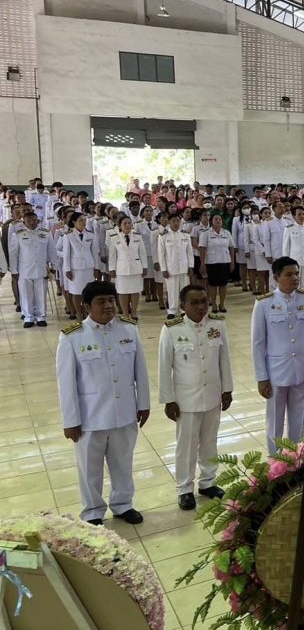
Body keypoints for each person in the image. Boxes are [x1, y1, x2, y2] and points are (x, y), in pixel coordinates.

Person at [56, 280, 149, 525]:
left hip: (124, 413)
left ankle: (123, 504)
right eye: (101, 302)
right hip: (90, 417)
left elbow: (140, 371)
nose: (108, 306)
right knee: (90, 469)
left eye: (111, 300)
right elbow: (66, 383)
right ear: (87, 306)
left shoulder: (129, 330)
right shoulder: (73, 337)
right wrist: (70, 420)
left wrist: (143, 404)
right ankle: (93, 511)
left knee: (123, 463)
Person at [158, 284, 232, 510]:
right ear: (183, 306)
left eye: (204, 302)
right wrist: (168, 399)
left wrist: (227, 390)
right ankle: (184, 488)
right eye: (194, 303)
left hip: (212, 395)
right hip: (185, 400)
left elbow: (224, 359)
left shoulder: (217, 325)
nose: (201, 307)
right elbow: (164, 367)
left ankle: (208, 482)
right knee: (186, 446)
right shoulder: (172, 329)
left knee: (209, 441)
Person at [252, 257, 304, 454]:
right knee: (275, 420)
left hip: (302, 369)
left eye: (297, 274)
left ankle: (296, 458)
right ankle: (275, 461)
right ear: (276, 277)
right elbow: (258, 344)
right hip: (276, 372)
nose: (295, 278)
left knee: (298, 418)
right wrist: (261, 377)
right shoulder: (264, 303)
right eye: (289, 274)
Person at [9, 210, 58, 327]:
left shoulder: (45, 233)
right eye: (29, 221)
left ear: (38, 221)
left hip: (41, 269)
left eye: (34, 220)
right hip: (24, 270)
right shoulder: (18, 235)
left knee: (41, 294)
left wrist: (54, 265)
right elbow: (13, 254)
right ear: (24, 222)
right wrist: (14, 270)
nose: (32, 222)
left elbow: (51, 250)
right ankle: (28, 317)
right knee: (26, 294)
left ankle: (41, 316)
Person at [60, 212, 101, 321]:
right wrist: (67, 269)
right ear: (74, 222)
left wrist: (97, 267)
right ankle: (78, 312)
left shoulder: (91, 234)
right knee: (76, 291)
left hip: (88, 266)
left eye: (84, 220)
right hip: (75, 268)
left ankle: (86, 311)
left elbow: (94, 252)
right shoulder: (68, 235)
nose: (83, 222)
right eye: (81, 220)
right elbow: (66, 254)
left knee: (87, 291)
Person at [109, 216, 146, 320]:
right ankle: (125, 313)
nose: (127, 225)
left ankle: (134, 312)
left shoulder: (138, 237)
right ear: (120, 226)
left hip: (136, 268)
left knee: (135, 290)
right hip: (122, 269)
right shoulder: (115, 238)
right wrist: (112, 268)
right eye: (124, 223)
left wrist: (145, 267)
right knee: (122, 291)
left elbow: (142, 253)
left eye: (129, 223)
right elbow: (112, 255)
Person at [159, 213, 193, 320]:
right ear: (169, 222)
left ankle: (183, 310)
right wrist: (163, 269)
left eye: (178, 221)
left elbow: (189, 253)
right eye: (173, 221)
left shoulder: (185, 235)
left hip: (184, 267)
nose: (176, 223)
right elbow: (161, 254)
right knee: (172, 290)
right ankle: (172, 310)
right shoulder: (163, 236)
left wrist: (191, 266)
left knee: (184, 290)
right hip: (171, 268)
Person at [199, 214, 235, 313]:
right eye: (216, 219)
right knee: (212, 285)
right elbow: (202, 249)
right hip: (211, 262)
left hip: (225, 261)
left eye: (220, 219)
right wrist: (202, 263)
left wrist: (232, 262)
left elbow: (231, 248)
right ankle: (214, 304)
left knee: (223, 284)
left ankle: (222, 303)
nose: (218, 221)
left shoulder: (226, 233)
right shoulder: (206, 234)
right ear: (211, 221)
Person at [282, 206, 304, 292]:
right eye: (299, 214)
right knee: (294, 282)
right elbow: (285, 247)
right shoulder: (289, 228)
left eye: (303, 214)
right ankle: (294, 298)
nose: (302, 216)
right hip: (294, 259)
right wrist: (285, 262)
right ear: (294, 216)